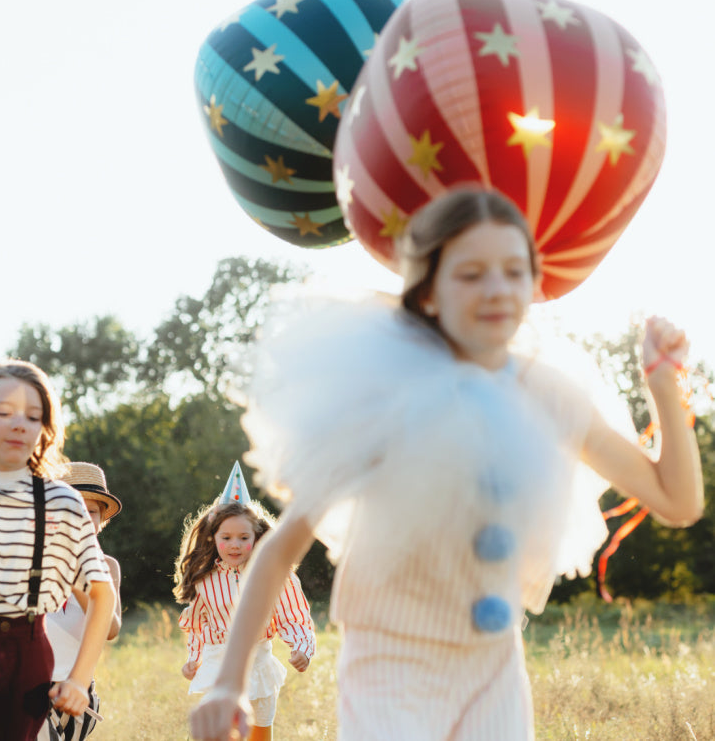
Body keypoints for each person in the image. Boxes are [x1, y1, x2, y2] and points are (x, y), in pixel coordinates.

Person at [188, 187, 703, 741]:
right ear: (428, 291)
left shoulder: (549, 393)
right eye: (471, 273)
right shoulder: (389, 392)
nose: (496, 289)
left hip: (492, 666)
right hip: (390, 664)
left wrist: (661, 387)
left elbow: (677, 501)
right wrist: (228, 684)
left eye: (513, 271)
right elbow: (281, 547)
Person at [0, 360, 116, 740]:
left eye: (34, 416)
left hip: (26, 656)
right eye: (4, 412)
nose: (20, 423)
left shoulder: (63, 503)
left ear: (44, 430)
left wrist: (80, 680)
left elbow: (102, 593)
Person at [174, 462, 316, 741]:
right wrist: (194, 659)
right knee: (221, 728)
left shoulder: (273, 574)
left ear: (257, 536)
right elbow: (199, 624)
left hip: (259, 660)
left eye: (243, 537)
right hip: (218, 662)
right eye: (226, 537)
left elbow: (292, 613)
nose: (235, 545)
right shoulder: (206, 581)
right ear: (212, 538)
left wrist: (302, 647)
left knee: (260, 728)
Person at [38, 461, 123, 741]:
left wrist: (78, 575)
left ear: (102, 520)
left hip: (78, 692)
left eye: (92, 512)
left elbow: (110, 629)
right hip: (32, 688)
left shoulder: (107, 567)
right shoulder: (31, 562)